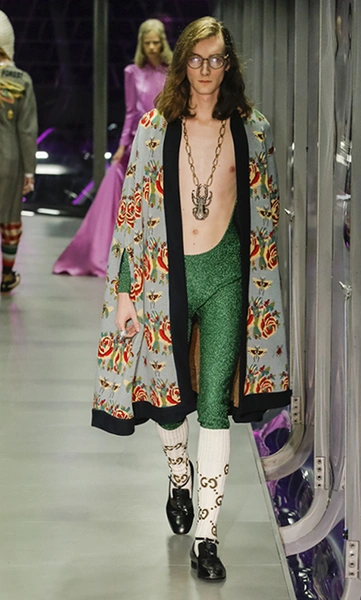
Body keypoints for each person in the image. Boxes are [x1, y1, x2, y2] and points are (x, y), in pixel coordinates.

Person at [92, 16, 291, 581]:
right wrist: (126, 292)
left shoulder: (253, 128)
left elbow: (267, 211)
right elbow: (133, 212)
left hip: (227, 277)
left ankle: (207, 536)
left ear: (229, 66)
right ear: (183, 63)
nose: (206, 69)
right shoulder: (157, 128)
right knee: (168, 397)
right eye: (197, 59)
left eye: (216, 59)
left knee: (215, 407)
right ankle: (179, 474)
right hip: (164, 280)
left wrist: (261, 291)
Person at [52, 19, 171, 277]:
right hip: (137, 143)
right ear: (141, 44)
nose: (152, 47)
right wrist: (122, 145)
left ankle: (154, 255)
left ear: (163, 43)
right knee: (119, 190)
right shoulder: (132, 72)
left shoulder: (171, 72)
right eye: (147, 43)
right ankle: (108, 252)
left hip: (164, 140)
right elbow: (130, 112)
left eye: (156, 42)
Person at [0, 10, 37, 293]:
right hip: (9, 160)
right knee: (10, 218)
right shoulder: (22, 80)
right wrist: (29, 171)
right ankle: (7, 275)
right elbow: (27, 130)